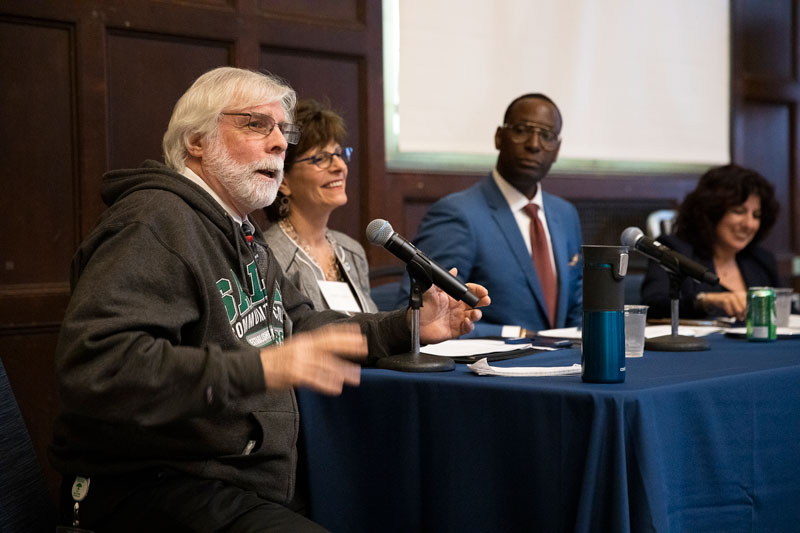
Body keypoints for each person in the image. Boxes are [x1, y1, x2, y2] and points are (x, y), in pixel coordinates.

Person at [50, 66, 488, 532]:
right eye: (256, 125)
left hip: (244, 480)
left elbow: (299, 323)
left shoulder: (240, 231)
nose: (280, 143)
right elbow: (99, 369)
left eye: (283, 129)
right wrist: (263, 367)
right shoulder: (154, 222)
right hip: (153, 486)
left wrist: (407, 326)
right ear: (196, 142)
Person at [397, 93, 582, 337]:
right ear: (499, 138)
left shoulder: (565, 214)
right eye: (522, 130)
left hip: (564, 368)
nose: (534, 144)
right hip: (491, 369)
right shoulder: (458, 213)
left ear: (557, 150)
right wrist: (513, 333)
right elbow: (420, 313)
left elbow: (578, 304)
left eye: (547, 136)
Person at [264, 99, 376, 314]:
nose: (339, 167)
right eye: (321, 159)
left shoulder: (351, 251)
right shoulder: (270, 257)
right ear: (284, 181)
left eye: (339, 154)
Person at [640, 164, 780, 321]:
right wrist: (705, 301)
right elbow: (652, 305)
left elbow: (785, 312)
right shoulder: (676, 250)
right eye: (738, 211)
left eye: (756, 215)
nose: (749, 224)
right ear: (712, 211)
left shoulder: (761, 260)